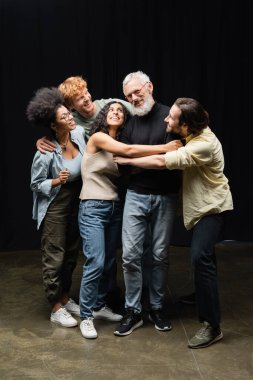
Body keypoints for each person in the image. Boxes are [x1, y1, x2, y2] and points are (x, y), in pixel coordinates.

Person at [114, 97, 233, 348]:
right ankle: (198, 295)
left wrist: (127, 160)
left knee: (200, 257)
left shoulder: (203, 145)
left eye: (172, 118)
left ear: (187, 125)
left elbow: (161, 161)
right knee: (202, 258)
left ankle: (212, 326)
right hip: (199, 207)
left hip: (212, 208)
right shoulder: (194, 134)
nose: (166, 118)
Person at [78, 101, 182, 339]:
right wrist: (165, 147)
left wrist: (133, 163)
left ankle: (101, 305)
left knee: (109, 262)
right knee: (96, 261)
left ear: (125, 120)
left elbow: (130, 160)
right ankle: (86, 316)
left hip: (114, 207)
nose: (115, 112)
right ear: (103, 115)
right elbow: (132, 152)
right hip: (92, 206)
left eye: (120, 111)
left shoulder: (120, 143)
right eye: (111, 110)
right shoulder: (97, 138)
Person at [36, 76, 134, 305]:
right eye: (79, 98)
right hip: (70, 196)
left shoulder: (100, 114)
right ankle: (58, 303)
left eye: (86, 92)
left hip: (100, 186)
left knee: (87, 252)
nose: (87, 98)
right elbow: (57, 133)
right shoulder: (68, 131)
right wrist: (43, 141)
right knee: (62, 252)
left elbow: (141, 111)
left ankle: (90, 297)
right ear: (70, 106)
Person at [113, 71, 183, 337]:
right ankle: (133, 311)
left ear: (149, 87)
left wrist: (135, 159)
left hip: (166, 196)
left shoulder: (170, 116)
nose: (133, 98)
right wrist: (148, 159)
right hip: (136, 195)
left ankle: (156, 307)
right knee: (130, 256)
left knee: (159, 256)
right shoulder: (129, 123)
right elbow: (121, 161)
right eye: (129, 95)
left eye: (137, 92)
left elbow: (168, 161)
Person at [27, 87, 86, 327]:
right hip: (55, 206)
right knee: (55, 256)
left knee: (71, 254)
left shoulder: (81, 134)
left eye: (69, 114)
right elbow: (35, 184)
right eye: (64, 117)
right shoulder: (46, 151)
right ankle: (55, 307)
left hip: (76, 202)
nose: (71, 117)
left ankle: (65, 297)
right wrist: (55, 180)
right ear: (53, 125)